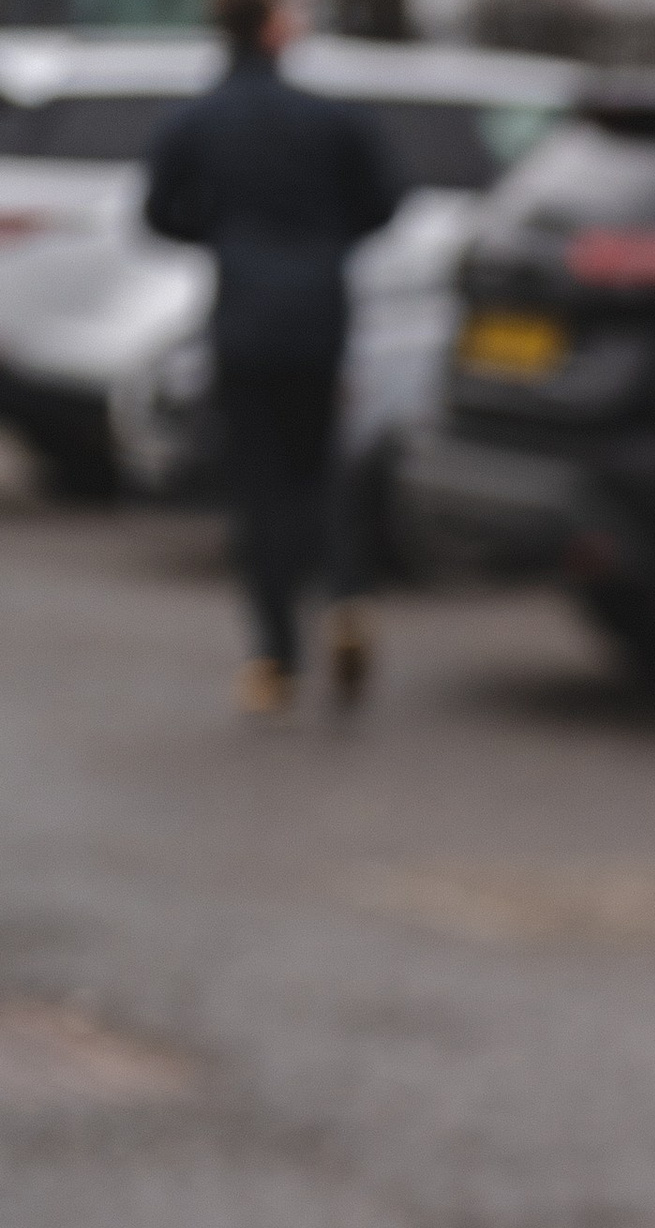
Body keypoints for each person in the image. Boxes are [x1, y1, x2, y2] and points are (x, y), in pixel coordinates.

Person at [144, 0, 403, 715]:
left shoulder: (196, 120)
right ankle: (347, 599)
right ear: (273, 29)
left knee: (258, 490)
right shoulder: (331, 118)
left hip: (244, 318)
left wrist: (230, 234)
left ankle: (275, 658)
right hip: (321, 313)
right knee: (321, 468)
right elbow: (383, 201)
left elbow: (161, 213)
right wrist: (322, 241)